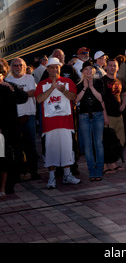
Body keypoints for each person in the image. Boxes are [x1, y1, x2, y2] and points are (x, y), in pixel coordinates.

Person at [35, 57, 80, 189]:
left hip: (66, 123)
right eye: (52, 67)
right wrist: (52, 88)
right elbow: (39, 100)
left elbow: (73, 97)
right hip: (49, 124)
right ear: (47, 69)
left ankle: (67, 175)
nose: (55, 69)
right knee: (50, 151)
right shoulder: (42, 84)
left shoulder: (68, 82)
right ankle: (52, 177)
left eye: (57, 67)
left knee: (67, 150)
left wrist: (63, 90)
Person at [5, 58, 40, 180]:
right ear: (11, 67)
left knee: (31, 146)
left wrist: (17, 92)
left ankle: (34, 171)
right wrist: (23, 93)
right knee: (17, 147)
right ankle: (21, 171)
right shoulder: (7, 80)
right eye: (15, 65)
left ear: (24, 67)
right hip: (14, 117)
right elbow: (12, 96)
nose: (18, 67)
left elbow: (32, 93)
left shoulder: (29, 78)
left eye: (21, 65)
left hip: (28, 115)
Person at [76, 61, 109, 181]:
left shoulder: (99, 82)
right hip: (84, 116)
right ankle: (92, 171)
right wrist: (85, 88)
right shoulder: (79, 84)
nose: (89, 71)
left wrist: (91, 87)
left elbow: (101, 98)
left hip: (98, 115)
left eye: (90, 69)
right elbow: (76, 100)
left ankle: (99, 170)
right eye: (86, 69)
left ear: (94, 70)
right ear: (83, 71)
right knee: (88, 145)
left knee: (98, 143)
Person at [0, 64, 28, 196]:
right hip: (1, 130)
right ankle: (4, 186)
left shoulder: (9, 86)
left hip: (11, 127)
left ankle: (11, 183)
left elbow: (23, 98)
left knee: (15, 155)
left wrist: (13, 89)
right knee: (3, 157)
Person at [102, 59, 126, 172]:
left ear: (118, 68)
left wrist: (123, 105)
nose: (112, 67)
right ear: (106, 67)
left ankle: (113, 163)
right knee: (106, 141)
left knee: (119, 141)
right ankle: (104, 166)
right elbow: (100, 100)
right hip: (107, 116)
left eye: (115, 66)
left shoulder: (119, 80)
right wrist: (104, 116)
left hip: (118, 115)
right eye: (110, 65)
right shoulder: (102, 81)